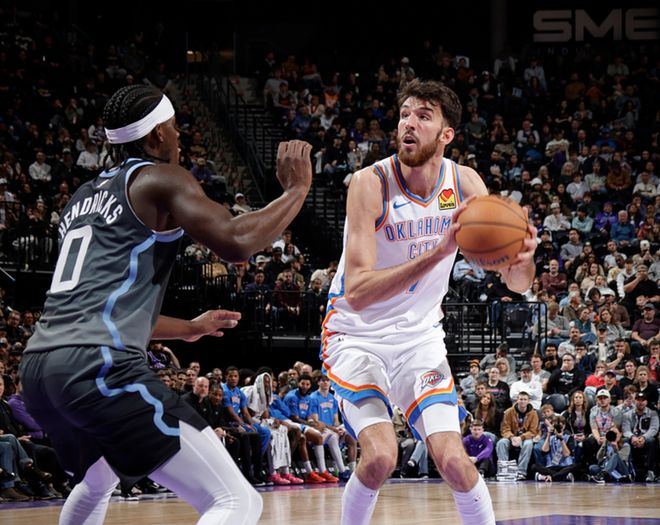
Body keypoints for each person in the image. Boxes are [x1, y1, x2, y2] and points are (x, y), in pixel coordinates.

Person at [19, 85, 312, 525]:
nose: (179, 137)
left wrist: (189, 328)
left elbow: (100, 307)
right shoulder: (160, 177)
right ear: (157, 134)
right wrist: (296, 190)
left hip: (41, 368)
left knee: (98, 480)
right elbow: (236, 242)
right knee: (235, 502)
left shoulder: (81, 198)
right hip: (98, 365)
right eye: (174, 128)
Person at [321, 79, 536, 525]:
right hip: (356, 336)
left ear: (446, 134)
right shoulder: (369, 183)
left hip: (419, 339)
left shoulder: (464, 183)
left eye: (423, 116)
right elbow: (357, 290)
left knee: (455, 461)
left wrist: (521, 257)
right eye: (405, 114)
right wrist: (437, 253)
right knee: (381, 456)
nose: (409, 123)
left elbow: (517, 284)